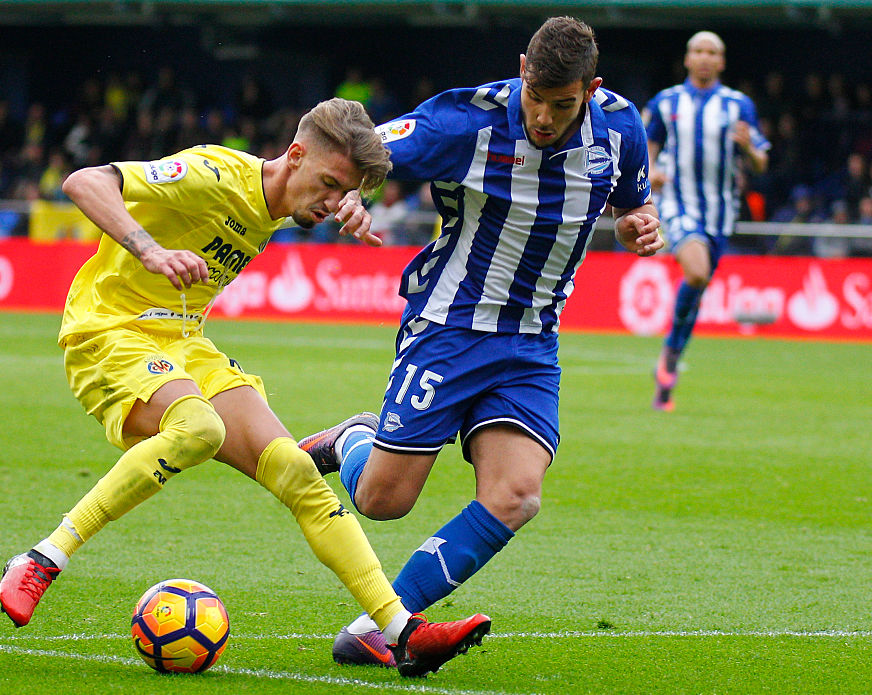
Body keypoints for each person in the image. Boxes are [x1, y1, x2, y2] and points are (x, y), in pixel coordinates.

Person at [0, 97, 489, 678]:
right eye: (328, 184)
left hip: (181, 339)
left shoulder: (292, 196)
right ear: (294, 154)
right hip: (109, 329)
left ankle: (402, 632)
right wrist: (149, 249)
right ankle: (42, 559)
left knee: (298, 475)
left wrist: (350, 200)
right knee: (199, 428)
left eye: (342, 191)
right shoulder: (212, 174)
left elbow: (344, 167)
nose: (330, 201)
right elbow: (84, 182)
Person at [297, 17, 662, 667]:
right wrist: (352, 190)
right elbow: (362, 147)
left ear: (592, 89)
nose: (545, 118)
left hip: (530, 346)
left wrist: (638, 221)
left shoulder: (621, 127)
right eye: (535, 97)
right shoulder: (466, 123)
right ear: (522, 68)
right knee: (383, 499)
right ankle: (354, 438)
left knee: (517, 494)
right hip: (449, 328)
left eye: (563, 104)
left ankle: (380, 624)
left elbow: (633, 200)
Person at [643, 31, 770, 411]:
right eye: (698, 50)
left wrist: (748, 146)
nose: (703, 57)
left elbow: (761, 162)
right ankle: (670, 355)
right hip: (679, 205)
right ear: (687, 59)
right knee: (697, 274)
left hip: (720, 212)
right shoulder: (666, 102)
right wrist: (650, 175)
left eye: (711, 52)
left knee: (696, 290)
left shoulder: (738, 105)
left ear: (721, 62)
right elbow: (647, 152)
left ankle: (668, 366)